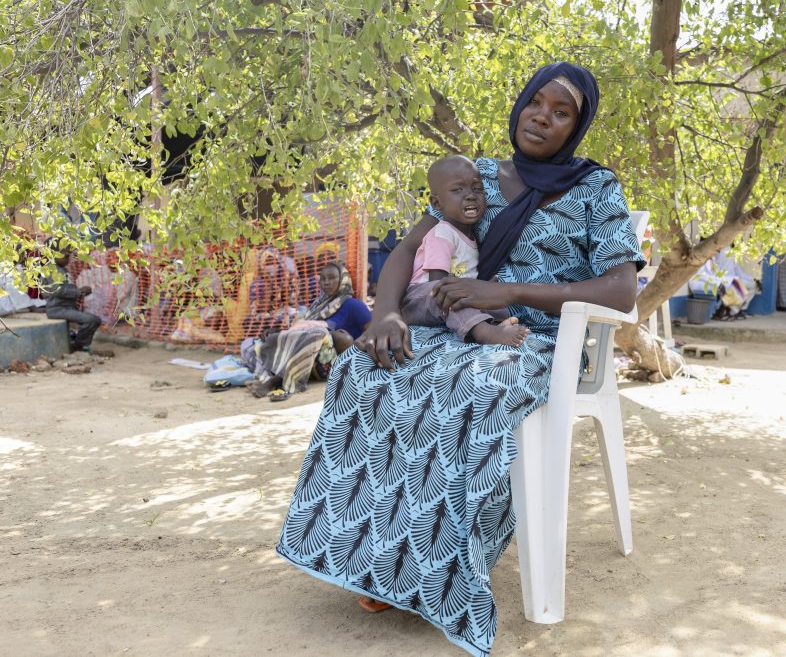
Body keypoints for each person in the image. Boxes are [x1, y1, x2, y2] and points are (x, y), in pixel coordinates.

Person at [275, 63, 645, 657]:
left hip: (539, 337)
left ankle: (433, 569)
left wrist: (510, 294)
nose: (541, 117)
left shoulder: (595, 189)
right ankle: (372, 553)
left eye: (561, 112)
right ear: (520, 102)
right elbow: (410, 247)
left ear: (577, 126)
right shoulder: (476, 177)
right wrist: (387, 313)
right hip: (457, 325)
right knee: (365, 367)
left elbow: (621, 292)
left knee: (471, 387)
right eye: (536, 103)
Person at [400, 154, 529, 346]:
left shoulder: (469, 237)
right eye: (457, 190)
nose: (470, 195)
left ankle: (494, 323)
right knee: (453, 294)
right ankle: (484, 332)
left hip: (445, 299)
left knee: (494, 299)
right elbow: (439, 285)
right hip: (421, 300)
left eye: (477, 189)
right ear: (436, 203)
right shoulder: (442, 233)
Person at [246, 261, 370, 400]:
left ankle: (274, 381)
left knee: (330, 335)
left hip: (339, 363)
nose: (326, 282)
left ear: (343, 280)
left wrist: (358, 346)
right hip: (312, 360)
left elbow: (372, 332)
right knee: (253, 343)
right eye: (323, 279)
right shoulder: (317, 306)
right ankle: (278, 375)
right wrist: (278, 332)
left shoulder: (354, 305)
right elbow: (303, 329)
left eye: (331, 278)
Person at [40, 243, 102, 352]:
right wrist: (79, 291)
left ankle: (77, 344)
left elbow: (67, 288)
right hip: (58, 309)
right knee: (91, 320)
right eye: (66, 256)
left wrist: (80, 292)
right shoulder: (51, 269)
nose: (68, 259)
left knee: (94, 320)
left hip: (67, 307)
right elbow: (58, 290)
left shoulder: (62, 269)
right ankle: (78, 347)